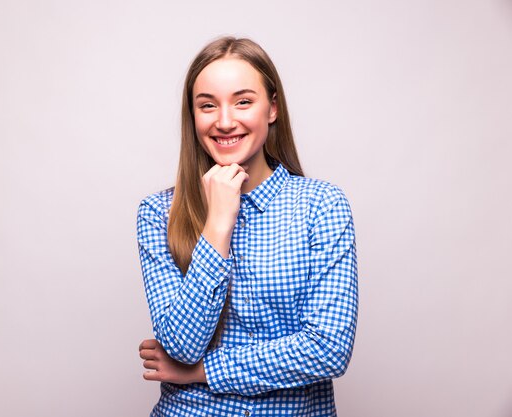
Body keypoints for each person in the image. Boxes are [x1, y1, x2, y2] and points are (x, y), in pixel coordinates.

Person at [137, 36, 358, 417]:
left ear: (272, 108)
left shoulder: (322, 206)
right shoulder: (158, 213)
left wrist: (203, 371)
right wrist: (218, 223)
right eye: (208, 105)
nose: (224, 121)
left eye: (243, 101)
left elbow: (328, 349)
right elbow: (181, 346)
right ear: (193, 116)